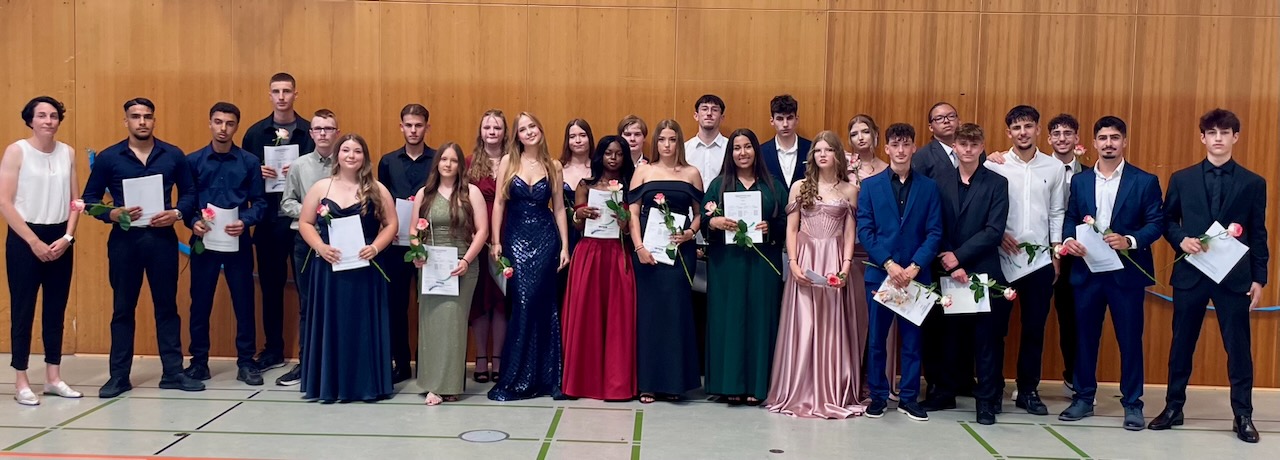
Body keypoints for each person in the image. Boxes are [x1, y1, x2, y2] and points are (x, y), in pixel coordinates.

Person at [1151, 109, 1267, 443]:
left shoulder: (1253, 183)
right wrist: (1180, 239)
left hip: (1234, 277)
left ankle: (1243, 414)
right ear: (1202, 137)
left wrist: (1259, 278)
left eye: (1224, 132)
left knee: (1238, 348)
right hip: (1192, 273)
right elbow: (1167, 220)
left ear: (1235, 137)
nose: (1218, 138)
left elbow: (1258, 232)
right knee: (1181, 344)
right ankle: (1174, 407)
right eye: (1212, 133)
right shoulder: (1182, 179)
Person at [83, 97, 204, 397]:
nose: (142, 122)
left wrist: (177, 213)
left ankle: (173, 372)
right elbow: (89, 200)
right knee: (123, 309)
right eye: (135, 117)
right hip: (124, 242)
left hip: (162, 240)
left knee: (167, 307)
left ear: (154, 120)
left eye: (147, 116)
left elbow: (190, 192)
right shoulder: (109, 158)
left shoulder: (172, 155)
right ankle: (119, 376)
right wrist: (112, 213)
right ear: (125, 121)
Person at [1058, 116, 1163, 431]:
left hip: (1125, 275)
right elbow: (1070, 217)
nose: (1108, 144)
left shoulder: (1144, 181)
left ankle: (1132, 403)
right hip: (1087, 272)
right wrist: (1069, 240)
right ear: (1094, 143)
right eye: (1102, 138)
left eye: (1114, 138)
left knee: (1129, 340)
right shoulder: (1080, 181)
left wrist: (1130, 240)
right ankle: (1083, 397)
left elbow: (1156, 223)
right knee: (1084, 338)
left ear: (1124, 142)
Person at [764, 131, 861, 418]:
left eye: (828, 150)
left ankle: (830, 391)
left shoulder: (850, 190)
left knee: (831, 325)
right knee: (803, 323)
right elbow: (791, 228)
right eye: (818, 150)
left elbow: (849, 234)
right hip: (806, 258)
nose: (822, 155)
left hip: (833, 259)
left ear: (837, 155)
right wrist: (793, 263)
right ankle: (798, 388)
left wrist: (845, 267)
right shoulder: (800, 187)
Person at [977, 105, 1065, 416]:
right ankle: (992, 391)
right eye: (1016, 128)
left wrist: (1056, 251)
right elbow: (983, 210)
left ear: (1038, 130)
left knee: (1034, 330)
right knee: (994, 330)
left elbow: (1057, 212)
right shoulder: (994, 165)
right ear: (1008, 133)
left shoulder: (1054, 168)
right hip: (1000, 260)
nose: (1023, 132)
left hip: (1039, 261)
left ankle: (1028, 390)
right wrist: (997, 234)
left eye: (1028, 126)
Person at [297, 133, 396, 403]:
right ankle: (329, 385)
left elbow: (391, 224)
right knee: (332, 326)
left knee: (361, 327)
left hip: (365, 270)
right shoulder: (321, 187)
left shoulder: (377, 189)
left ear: (365, 157)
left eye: (357, 151)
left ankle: (366, 385)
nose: (351, 156)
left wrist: (375, 247)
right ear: (337, 155)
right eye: (346, 150)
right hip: (329, 270)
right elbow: (305, 222)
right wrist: (320, 246)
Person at [857, 123, 943, 421]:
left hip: (915, 277)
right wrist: (889, 264)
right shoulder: (870, 186)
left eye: (906, 144)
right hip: (881, 274)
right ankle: (878, 396)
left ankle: (908, 398)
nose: (901, 150)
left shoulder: (929, 187)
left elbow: (934, 232)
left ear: (914, 147)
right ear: (887, 148)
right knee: (877, 340)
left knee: (912, 341)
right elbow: (865, 231)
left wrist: (915, 266)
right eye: (895, 144)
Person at [1, 96, 82, 405]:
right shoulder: (16, 151)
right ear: (30, 120)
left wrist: (68, 237)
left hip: (59, 238)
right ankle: (21, 380)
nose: (49, 121)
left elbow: (75, 200)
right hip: (25, 238)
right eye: (42, 115)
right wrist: (33, 241)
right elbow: (5, 202)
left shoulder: (68, 153)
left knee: (55, 309)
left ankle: (53, 377)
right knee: (23, 309)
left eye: (53, 116)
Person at [928, 123, 1010, 425]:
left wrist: (960, 257)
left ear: (982, 147)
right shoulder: (938, 181)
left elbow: (994, 230)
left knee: (986, 340)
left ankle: (986, 401)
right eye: (963, 144)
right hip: (947, 269)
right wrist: (951, 260)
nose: (968, 149)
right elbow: (934, 225)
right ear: (956, 147)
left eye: (974, 145)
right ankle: (944, 392)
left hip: (983, 270)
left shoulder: (997, 183)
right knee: (948, 337)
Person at [180, 102, 267, 386]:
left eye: (229, 123)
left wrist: (246, 220)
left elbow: (260, 202)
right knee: (200, 302)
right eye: (218, 122)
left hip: (237, 240)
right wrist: (192, 221)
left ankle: (246, 362)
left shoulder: (249, 162)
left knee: (244, 302)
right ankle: (199, 362)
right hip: (203, 241)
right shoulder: (193, 161)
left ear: (236, 127)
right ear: (210, 123)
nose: (223, 128)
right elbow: (186, 202)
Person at [487, 112, 570, 401]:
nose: (529, 132)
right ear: (517, 136)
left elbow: (559, 208)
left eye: (532, 126)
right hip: (516, 238)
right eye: (523, 129)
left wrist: (564, 246)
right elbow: (499, 203)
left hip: (546, 239)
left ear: (540, 129)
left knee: (545, 305)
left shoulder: (553, 165)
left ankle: (548, 378)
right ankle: (516, 377)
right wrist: (496, 241)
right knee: (523, 304)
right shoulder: (508, 162)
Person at [704, 129, 786, 406]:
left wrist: (770, 227)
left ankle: (759, 385)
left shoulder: (773, 185)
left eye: (747, 147)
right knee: (729, 320)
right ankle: (729, 384)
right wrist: (713, 223)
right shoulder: (718, 185)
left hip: (763, 264)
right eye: (737, 148)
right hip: (727, 266)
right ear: (731, 153)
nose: (742, 153)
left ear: (756, 151)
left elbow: (788, 223)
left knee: (761, 320)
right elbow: (703, 220)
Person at [242, 72, 316, 373]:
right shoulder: (255, 134)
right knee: (270, 289)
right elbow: (243, 180)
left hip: (304, 223)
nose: (282, 96)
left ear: (296, 94)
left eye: (287, 91)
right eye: (276, 91)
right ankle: (273, 349)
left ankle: (309, 352)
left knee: (307, 290)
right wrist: (257, 173)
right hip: (268, 222)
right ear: (269, 95)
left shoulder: (310, 132)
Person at [629, 119, 703, 404]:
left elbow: (699, 213)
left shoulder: (691, 173)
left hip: (679, 253)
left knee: (675, 313)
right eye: (662, 139)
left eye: (672, 139)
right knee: (649, 316)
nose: (667, 145)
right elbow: (633, 212)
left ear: (679, 142)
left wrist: (690, 233)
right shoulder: (643, 171)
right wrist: (638, 247)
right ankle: (647, 382)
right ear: (656, 142)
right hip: (648, 253)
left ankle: (674, 382)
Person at [410, 143, 488, 405]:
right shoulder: (424, 193)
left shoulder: (471, 192)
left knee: (453, 323)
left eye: (453, 160)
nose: (448, 164)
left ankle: (449, 385)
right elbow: (413, 231)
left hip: (462, 266)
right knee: (431, 323)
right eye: (443, 159)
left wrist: (466, 260)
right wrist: (418, 252)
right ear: (437, 163)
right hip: (431, 266)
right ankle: (432, 383)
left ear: (460, 165)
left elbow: (482, 231)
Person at [562, 135, 638, 401]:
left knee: (618, 317)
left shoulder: (631, 187)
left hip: (618, 253)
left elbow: (631, 230)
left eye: (619, 154)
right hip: (590, 254)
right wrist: (578, 215)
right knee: (587, 316)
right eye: (608, 153)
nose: (613, 158)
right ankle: (582, 382)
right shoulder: (586, 185)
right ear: (600, 156)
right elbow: (577, 225)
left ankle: (616, 385)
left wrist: (625, 223)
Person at [276, 109, 341, 386]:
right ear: (311, 133)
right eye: (318, 129)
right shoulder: (299, 166)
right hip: (306, 241)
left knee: (339, 304)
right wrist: (312, 212)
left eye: (329, 128)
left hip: (340, 242)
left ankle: (338, 364)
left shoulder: (349, 162)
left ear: (337, 133)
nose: (323, 133)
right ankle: (306, 364)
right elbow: (286, 203)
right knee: (308, 305)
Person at [377, 103, 436, 383]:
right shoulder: (387, 161)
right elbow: (381, 200)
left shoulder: (437, 160)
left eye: (418, 125)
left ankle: (428, 364)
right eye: (408, 125)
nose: (413, 130)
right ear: (401, 126)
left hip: (431, 244)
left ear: (427, 127)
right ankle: (401, 364)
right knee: (396, 306)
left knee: (430, 305)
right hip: (395, 245)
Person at [467, 109, 508, 384]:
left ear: (505, 133)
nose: (492, 132)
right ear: (480, 132)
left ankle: (500, 358)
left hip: (507, 233)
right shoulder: (470, 163)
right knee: (480, 298)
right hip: (477, 236)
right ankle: (481, 357)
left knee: (502, 298)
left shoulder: (513, 161)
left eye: (497, 128)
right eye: (487, 128)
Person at [760, 95, 812, 191]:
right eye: (780, 119)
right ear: (772, 121)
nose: (785, 124)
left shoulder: (811, 149)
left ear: (796, 119)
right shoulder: (761, 152)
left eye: (789, 118)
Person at [685, 95, 728, 188]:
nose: (709, 113)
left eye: (714, 110)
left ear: (722, 118)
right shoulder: (685, 149)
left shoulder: (731, 148)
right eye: (704, 109)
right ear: (696, 116)